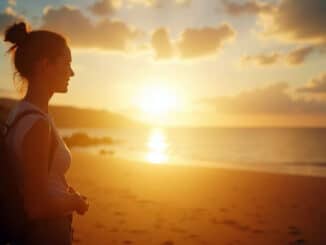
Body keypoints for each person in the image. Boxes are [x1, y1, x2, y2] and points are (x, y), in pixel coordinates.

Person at [3, 22, 89, 244]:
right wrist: (75, 202)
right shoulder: (37, 124)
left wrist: (63, 190)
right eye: (67, 63)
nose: (72, 72)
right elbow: (36, 206)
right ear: (45, 65)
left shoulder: (22, 113)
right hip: (44, 233)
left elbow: (35, 177)